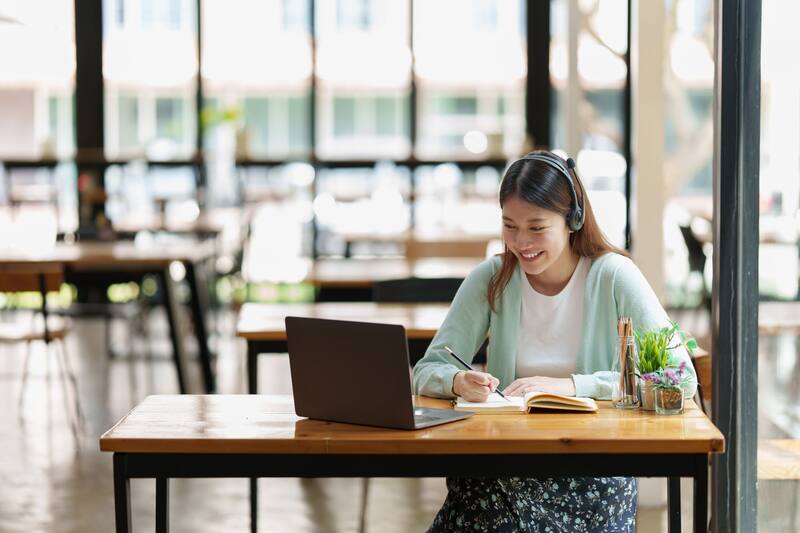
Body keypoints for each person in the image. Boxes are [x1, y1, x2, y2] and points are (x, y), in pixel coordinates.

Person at [413, 150, 698, 533]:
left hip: (594, 470)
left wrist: (573, 387)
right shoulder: (492, 278)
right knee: (479, 494)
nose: (520, 242)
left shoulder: (613, 276)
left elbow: (680, 379)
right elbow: (427, 369)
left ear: (572, 220)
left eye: (536, 227)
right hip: (507, 459)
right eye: (510, 226)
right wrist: (457, 381)